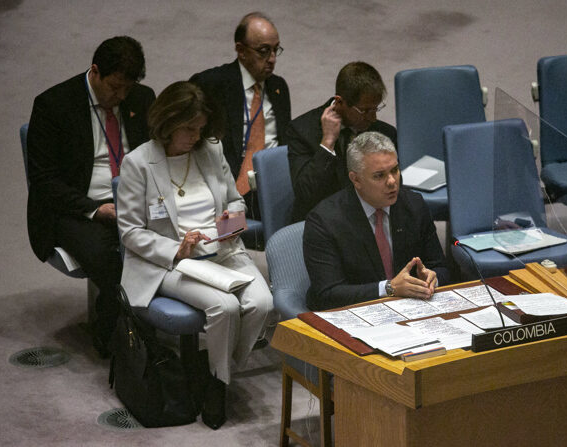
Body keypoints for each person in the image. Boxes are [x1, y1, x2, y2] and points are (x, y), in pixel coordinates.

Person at [117, 81, 273, 429]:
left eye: (200, 128)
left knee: (263, 304)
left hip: (222, 252)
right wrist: (177, 248)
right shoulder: (138, 163)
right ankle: (218, 385)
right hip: (172, 263)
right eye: (188, 127)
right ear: (167, 122)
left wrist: (228, 225)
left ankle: (218, 369)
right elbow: (129, 232)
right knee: (226, 306)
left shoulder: (211, 150)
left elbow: (235, 200)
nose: (194, 135)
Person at [26, 36, 155, 357]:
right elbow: (44, 183)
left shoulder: (140, 98)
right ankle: (111, 325)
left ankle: (148, 319)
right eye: (114, 87)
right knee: (107, 257)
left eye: (127, 88)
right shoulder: (54, 105)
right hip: (75, 208)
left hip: (134, 199)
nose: (120, 97)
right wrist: (96, 210)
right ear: (95, 71)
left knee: (172, 239)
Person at [303, 131, 449, 311]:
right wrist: (389, 289)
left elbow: (440, 267)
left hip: (411, 308)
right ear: (355, 179)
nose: (391, 182)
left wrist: (431, 277)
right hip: (353, 314)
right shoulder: (324, 221)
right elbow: (328, 294)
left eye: (394, 170)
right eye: (379, 176)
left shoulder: (414, 205)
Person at [190, 12, 291, 219]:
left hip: (272, 182)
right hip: (229, 184)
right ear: (241, 50)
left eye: (275, 50)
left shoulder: (279, 87)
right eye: (264, 51)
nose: (272, 59)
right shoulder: (211, 84)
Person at [287, 61, 397, 222]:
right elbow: (306, 194)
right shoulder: (302, 130)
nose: (373, 118)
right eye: (365, 111)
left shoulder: (385, 132)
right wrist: (327, 143)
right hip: (324, 223)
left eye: (376, 109)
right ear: (339, 102)